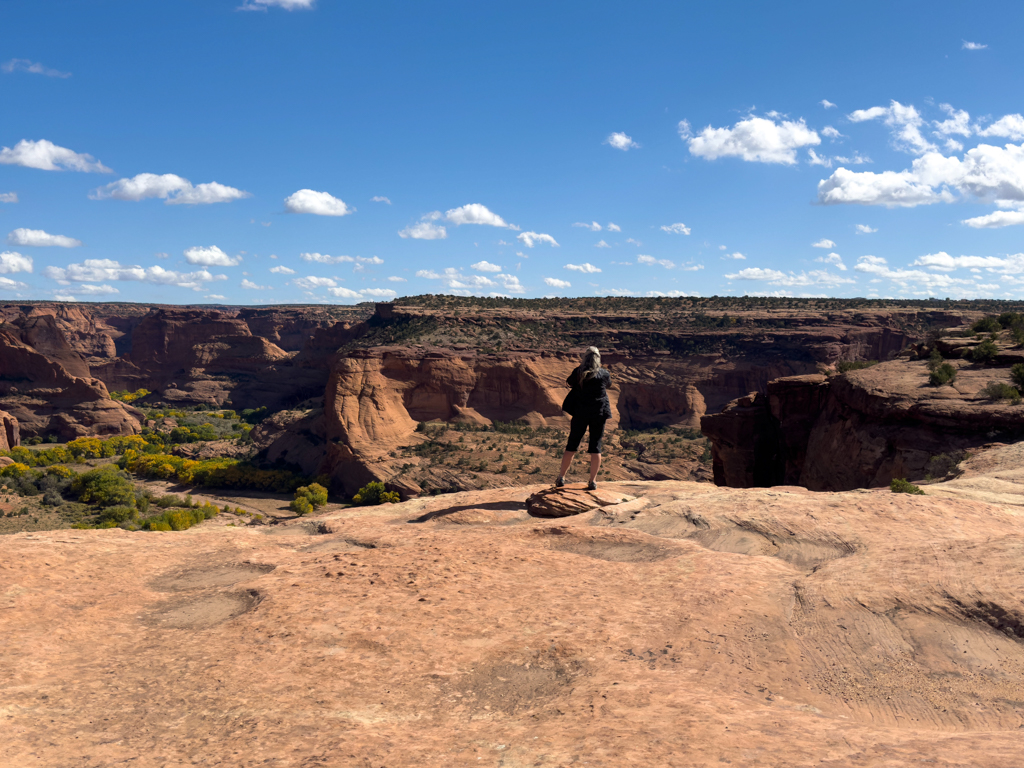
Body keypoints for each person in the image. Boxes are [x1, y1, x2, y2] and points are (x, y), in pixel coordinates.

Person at [555, 346, 612, 491]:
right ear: (598, 358)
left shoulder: (578, 372)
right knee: (596, 447)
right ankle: (592, 481)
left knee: (572, 444)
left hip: (580, 413)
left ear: (585, 358)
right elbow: (609, 385)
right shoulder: (604, 373)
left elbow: (569, 382)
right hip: (598, 413)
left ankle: (561, 477)